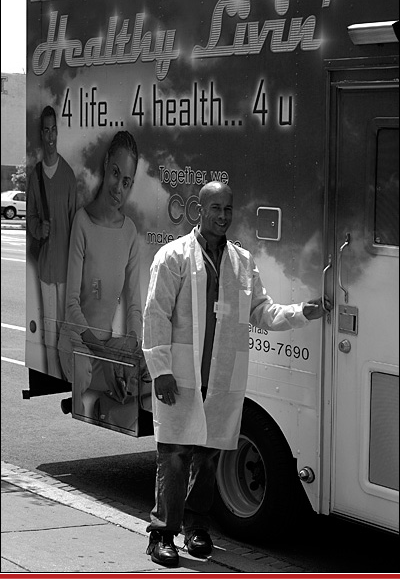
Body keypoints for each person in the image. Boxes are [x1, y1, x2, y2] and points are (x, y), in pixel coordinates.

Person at [142, 181, 332, 568]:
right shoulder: (173, 257)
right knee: (174, 457)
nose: (223, 216)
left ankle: (197, 528)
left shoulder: (241, 262)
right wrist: (160, 370)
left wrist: (300, 312)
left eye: (228, 209)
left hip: (221, 377)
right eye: (215, 208)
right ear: (199, 209)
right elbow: (155, 315)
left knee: (209, 459)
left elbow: (261, 310)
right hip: (181, 376)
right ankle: (162, 534)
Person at [58, 131, 143, 419]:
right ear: (106, 164)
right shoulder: (82, 221)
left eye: (127, 181)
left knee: (139, 373)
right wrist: (102, 352)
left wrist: (131, 342)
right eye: (116, 173)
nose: (119, 187)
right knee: (83, 367)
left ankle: (111, 394)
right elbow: (71, 306)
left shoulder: (129, 232)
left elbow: (134, 306)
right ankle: (83, 404)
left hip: (106, 347)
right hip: (78, 342)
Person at [26, 105, 77, 380]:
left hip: (66, 270)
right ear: (42, 134)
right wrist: (38, 227)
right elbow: (30, 217)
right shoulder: (34, 176)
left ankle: (68, 379)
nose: (49, 135)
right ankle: (54, 379)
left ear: (58, 131)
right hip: (46, 269)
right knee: (48, 330)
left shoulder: (68, 176)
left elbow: (75, 225)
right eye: (45, 130)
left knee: (66, 333)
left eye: (53, 129)